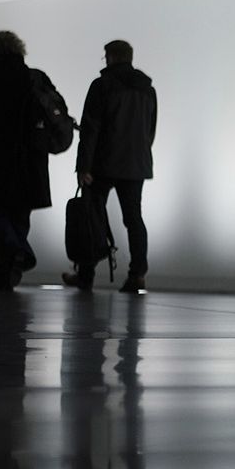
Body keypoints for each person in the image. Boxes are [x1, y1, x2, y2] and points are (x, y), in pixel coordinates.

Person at [63, 40, 157, 294]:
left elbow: (91, 128)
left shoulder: (102, 85)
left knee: (91, 216)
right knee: (134, 219)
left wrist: (84, 166)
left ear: (111, 57)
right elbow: (150, 130)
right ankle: (137, 274)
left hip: (102, 163)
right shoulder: (148, 89)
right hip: (135, 164)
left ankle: (86, 274)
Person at [0, 30, 57, 290]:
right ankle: (5, 276)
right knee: (19, 215)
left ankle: (19, 251)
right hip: (32, 156)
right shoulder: (36, 77)